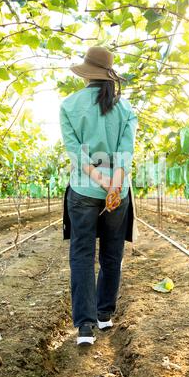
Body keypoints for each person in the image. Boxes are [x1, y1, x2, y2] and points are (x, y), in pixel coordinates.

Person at [59, 46, 138, 346]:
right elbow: (125, 154)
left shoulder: (68, 105)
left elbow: (76, 154)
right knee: (111, 253)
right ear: (107, 76)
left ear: (86, 75)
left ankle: (84, 328)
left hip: (82, 191)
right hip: (118, 194)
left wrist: (99, 179)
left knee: (81, 254)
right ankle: (105, 315)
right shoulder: (125, 109)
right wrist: (114, 184)